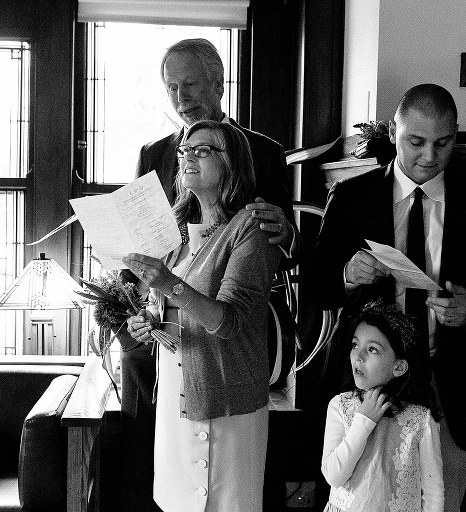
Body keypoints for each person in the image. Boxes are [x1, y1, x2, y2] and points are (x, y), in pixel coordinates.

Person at [120, 38, 299, 511]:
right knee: (163, 470)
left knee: (231, 484)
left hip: (232, 337)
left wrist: (287, 234)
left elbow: (283, 242)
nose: (180, 98)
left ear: (220, 82)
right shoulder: (152, 154)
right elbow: (148, 249)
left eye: (190, 84)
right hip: (163, 337)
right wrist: (139, 309)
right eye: (171, 87)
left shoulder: (262, 151)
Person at [308, 84, 466, 512]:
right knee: (364, 497)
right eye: (416, 142)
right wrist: (347, 276)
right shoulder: (353, 196)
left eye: (443, 143)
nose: (429, 156)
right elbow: (317, 286)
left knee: (439, 499)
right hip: (370, 383)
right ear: (393, 131)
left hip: (449, 382)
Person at [321, 299, 444, 512]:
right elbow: (334, 476)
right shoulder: (340, 406)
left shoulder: (420, 419)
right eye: (355, 345)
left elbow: (433, 493)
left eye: (372, 349)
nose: (358, 356)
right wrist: (363, 421)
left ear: (399, 366)